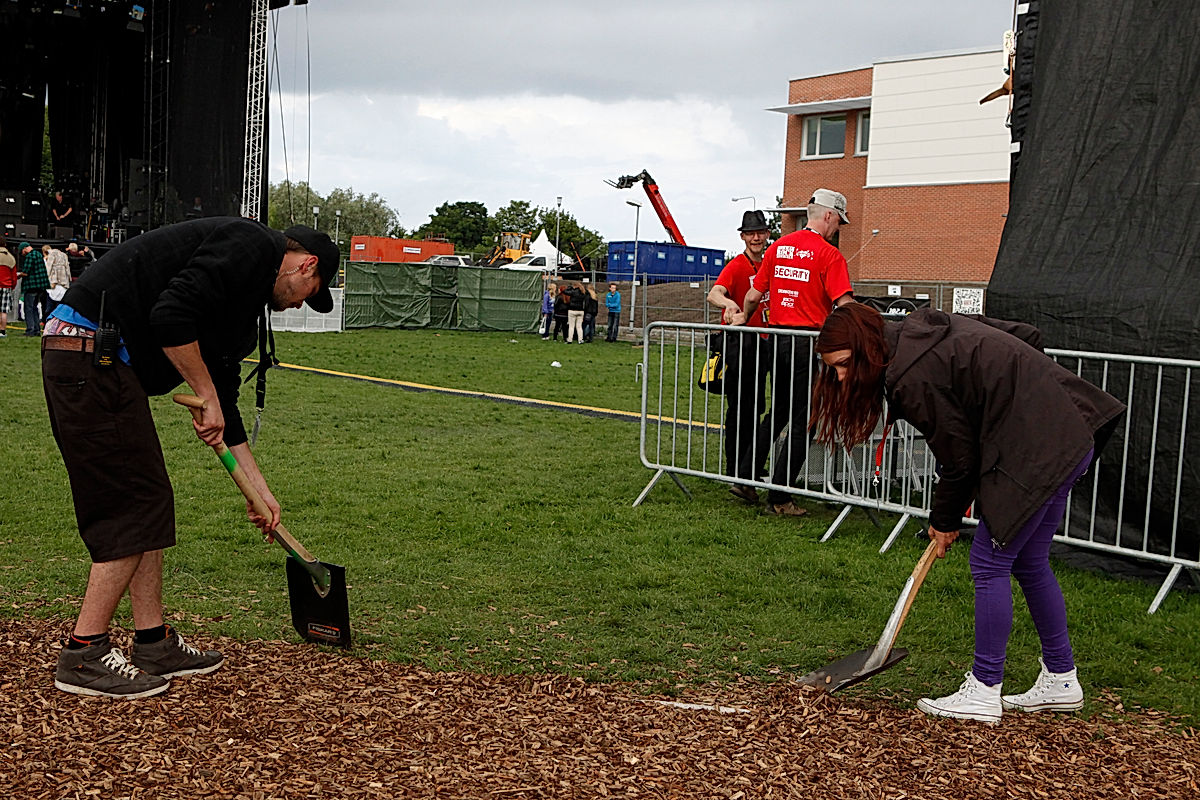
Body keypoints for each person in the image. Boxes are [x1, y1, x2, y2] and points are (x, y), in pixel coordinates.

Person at [44, 217, 338, 699]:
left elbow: (223, 387)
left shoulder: (243, 294)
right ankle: (84, 652)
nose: (302, 302)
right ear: (306, 264)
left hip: (102, 362)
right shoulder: (249, 246)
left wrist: (261, 492)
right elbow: (170, 316)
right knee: (136, 504)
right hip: (88, 354)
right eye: (311, 290)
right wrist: (204, 392)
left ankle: (153, 643)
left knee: (149, 500)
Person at [810, 304, 1125, 723]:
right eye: (835, 370)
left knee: (989, 562)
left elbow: (959, 460)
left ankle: (983, 689)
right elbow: (1025, 334)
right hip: (1068, 434)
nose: (842, 377)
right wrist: (1003, 393)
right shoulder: (925, 329)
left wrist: (943, 520)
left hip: (1037, 450)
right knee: (1029, 562)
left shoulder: (911, 375)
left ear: (866, 347)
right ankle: (1061, 679)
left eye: (846, 365)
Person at [733, 189, 854, 517]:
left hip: (779, 342)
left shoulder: (778, 248)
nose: (838, 229)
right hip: (807, 345)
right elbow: (845, 306)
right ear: (828, 216)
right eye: (838, 222)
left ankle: (745, 477)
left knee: (778, 414)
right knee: (805, 421)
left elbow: (754, 294)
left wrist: (744, 315)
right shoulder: (829, 255)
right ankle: (780, 496)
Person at [707, 209, 771, 504]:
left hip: (767, 342)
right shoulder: (737, 266)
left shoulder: (770, 263)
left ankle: (749, 470)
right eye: (750, 233)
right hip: (740, 344)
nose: (756, 237)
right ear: (743, 237)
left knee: (757, 406)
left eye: (760, 232)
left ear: (767, 235)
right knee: (742, 408)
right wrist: (731, 305)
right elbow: (714, 293)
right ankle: (738, 471)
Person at [16, 241, 50, 336]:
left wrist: (18, 275)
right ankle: (37, 330)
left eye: (22, 251)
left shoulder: (30, 256)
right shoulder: (38, 254)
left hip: (31, 286)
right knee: (34, 307)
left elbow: (26, 272)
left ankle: (30, 330)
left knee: (29, 308)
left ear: (25, 248)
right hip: (41, 286)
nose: (22, 254)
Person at [42, 244, 71, 315]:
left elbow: (48, 269)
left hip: (53, 281)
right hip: (63, 281)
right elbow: (67, 269)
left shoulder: (50, 256)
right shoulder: (63, 255)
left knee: (49, 306)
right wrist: (69, 279)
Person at [0, 245, 15, 336]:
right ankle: (2, 331)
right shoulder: (10, 258)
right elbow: (14, 277)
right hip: (6, 286)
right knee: (3, 311)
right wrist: (12, 286)